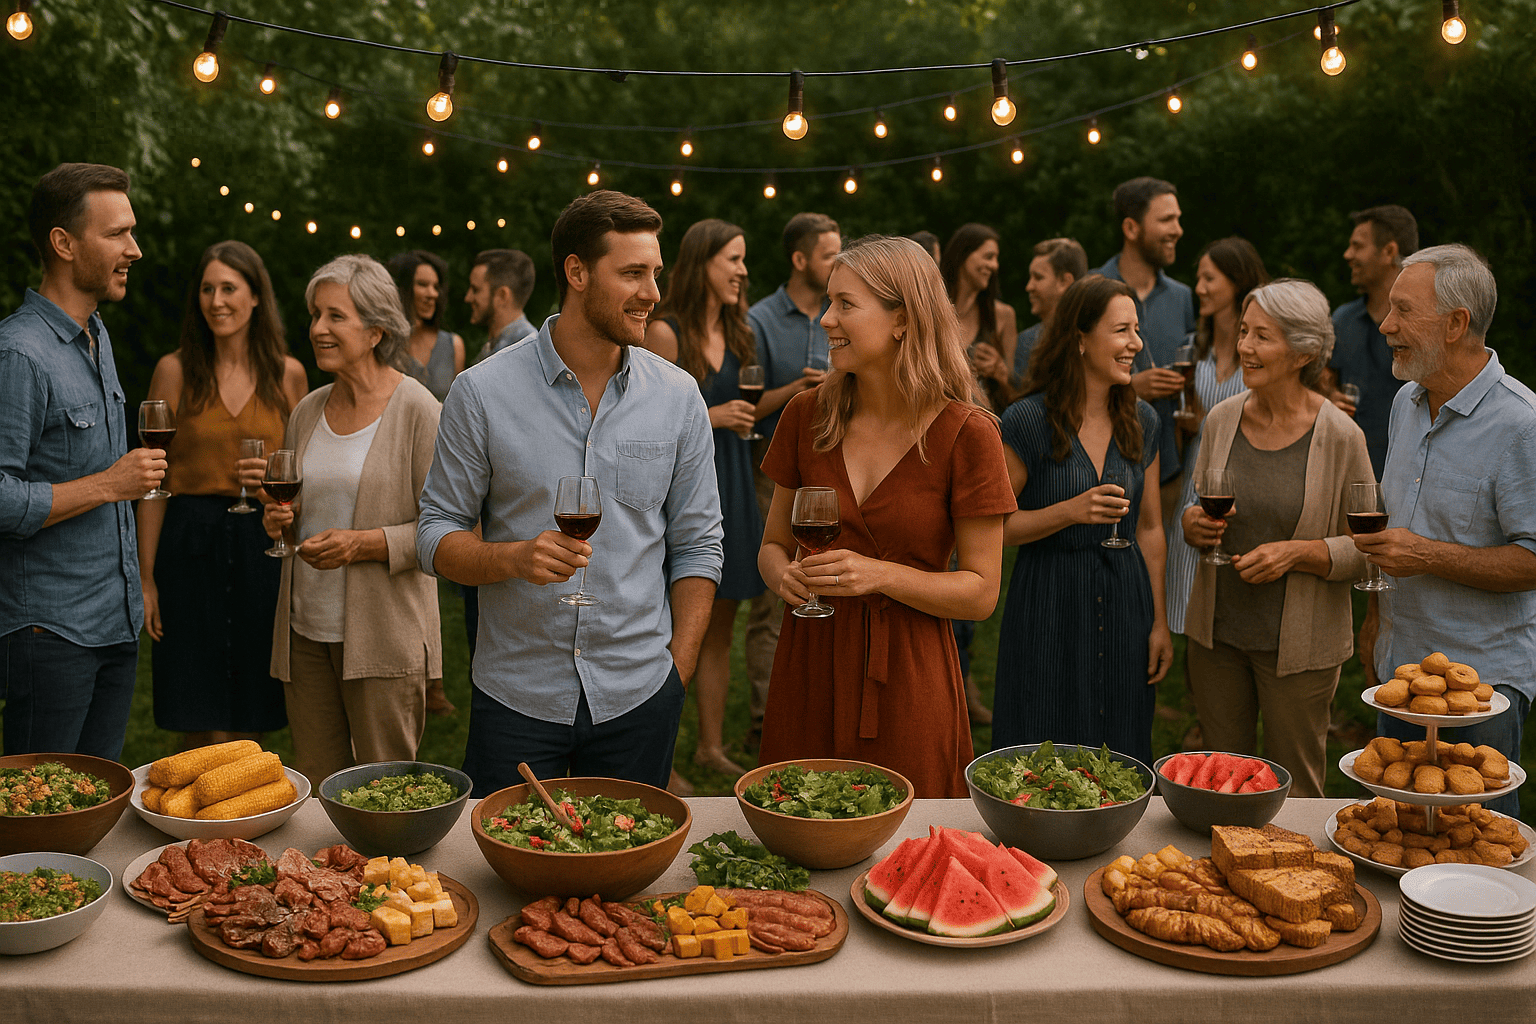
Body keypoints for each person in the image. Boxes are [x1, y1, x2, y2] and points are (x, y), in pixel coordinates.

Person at [417, 190, 723, 796]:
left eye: (654, 273)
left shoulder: (679, 397)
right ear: (576, 272)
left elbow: (699, 546)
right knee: (511, 878)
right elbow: (435, 534)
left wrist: (675, 676)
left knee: (623, 883)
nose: (653, 293)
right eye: (633, 273)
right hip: (516, 698)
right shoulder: (481, 393)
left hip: (639, 697)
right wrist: (512, 558)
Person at [756, 235, 1014, 799]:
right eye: (828, 302)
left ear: (902, 318)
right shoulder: (805, 415)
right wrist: (785, 577)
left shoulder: (968, 433)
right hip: (810, 661)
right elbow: (772, 545)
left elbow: (981, 592)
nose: (826, 320)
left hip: (909, 678)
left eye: (845, 304)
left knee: (908, 854)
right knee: (798, 844)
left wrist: (880, 575)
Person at [1354, 244, 1536, 817]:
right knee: (1395, 845)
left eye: (1404, 312)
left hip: (1479, 694)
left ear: (1456, 323)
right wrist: (1376, 622)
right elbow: (1398, 533)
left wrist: (1427, 555)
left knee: (1468, 864)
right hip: (1400, 677)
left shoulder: (1521, 424)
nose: (1386, 327)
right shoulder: (1405, 403)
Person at [1180, 279, 1373, 797]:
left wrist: (1298, 553)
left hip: (1301, 650)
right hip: (1217, 637)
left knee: (1296, 790)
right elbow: (1198, 511)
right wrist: (1193, 527)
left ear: (1303, 352)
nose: (1244, 346)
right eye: (1243, 332)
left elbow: (1369, 548)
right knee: (1219, 784)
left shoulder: (1340, 436)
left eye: (1262, 336)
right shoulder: (1222, 419)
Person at [261, 255, 442, 787]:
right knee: (317, 795)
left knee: (384, 796)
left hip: (384, 638)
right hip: (305, 635)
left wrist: (361, 544)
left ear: (375, 329)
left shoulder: (417, 408)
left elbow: (445, 531)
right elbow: (294, 518)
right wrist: (279, 521)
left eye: (335, 316)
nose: (317, 328)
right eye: (315, 315)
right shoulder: (308, 410)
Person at [0, 163, 162, 759]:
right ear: (63, 244)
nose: (134, 250)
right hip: (49, 632)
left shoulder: (96, 335)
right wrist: (110, 483)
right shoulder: (18, 354)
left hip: (113, 622)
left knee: (96, 809)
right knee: (38, 815)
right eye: (117, 234)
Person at [993, 275, 1174, 770]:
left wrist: (1159, 621)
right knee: (1042, 736)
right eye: (1121, 331)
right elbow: (997, 528)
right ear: (1079, 338)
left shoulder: (1145, 421)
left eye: (1136, 330)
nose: (1136, 343)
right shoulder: (1027, 421)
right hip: (1049, 599)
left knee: (1120, 739)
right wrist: (1069, 512)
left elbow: (1151, 528)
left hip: (1126, 600)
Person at [137, 240, 308, 750]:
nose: (216, 301)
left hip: (261, 544)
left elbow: (303, 478)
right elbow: (153, 483)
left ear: (256, 297)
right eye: (207, 289)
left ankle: (247, 817)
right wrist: (146, 579)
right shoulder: (175, 370)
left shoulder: (288, 374)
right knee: (194, 690)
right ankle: (190, 817)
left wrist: (275, 493)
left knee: (253, 693)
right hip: (188, 542)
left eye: (229, 288)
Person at [643, 219, 765, 779]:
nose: (742, 271)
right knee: (671, 627)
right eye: (733, 260)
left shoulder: (742, 334)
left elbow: (751, 405)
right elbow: (646, 424)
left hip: (733, 481)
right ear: (703, 264)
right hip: (682, 486)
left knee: (720, 627)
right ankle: (657, 752)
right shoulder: (666, 332)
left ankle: (709, 746)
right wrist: (712, 417)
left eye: (743, 261)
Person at [743, 212, 840, 753]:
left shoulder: (836, 314)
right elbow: (748, 402)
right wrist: (793, 391)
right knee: (774, 596)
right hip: (778, 470)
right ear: (801, 259)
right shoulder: (761, 319)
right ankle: (764, 708)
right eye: (828, 254)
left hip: (836, 466)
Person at [1165, 237, 1269, 637]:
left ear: (1238, 282)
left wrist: (1207, 420)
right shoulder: (1192, 350)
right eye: (1199, 279)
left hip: (1245, 488)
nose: (1200, 288)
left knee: (1232, 617)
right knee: (1192, 619)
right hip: (1196, 489)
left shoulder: (1260, 354)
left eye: (1209, 278)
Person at [1096, 177, 1196, 517]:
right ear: (1131, 227)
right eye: (1167, 220)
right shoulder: (1093, 288)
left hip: (1169, 469)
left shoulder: (1182, 296)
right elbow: (1068, 373)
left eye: (1178, 219)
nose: (1178, 229)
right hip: (1100, 471)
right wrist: (1133, 387)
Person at [1326, 205, 1419, 477]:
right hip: (1346, 475)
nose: (1347, 255)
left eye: (1357, 246)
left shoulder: (1426, 324)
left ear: (1389, 251)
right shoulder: (1343, 319)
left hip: (1409, 476)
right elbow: (1322, 382)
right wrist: (1326, 398)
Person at [940, 222, 1019, 410]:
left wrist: (999, 371)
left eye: (996, 259)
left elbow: (1015, 394)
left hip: (986, 423)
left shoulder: (1003, 315)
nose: (994, 266)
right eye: (988, 257)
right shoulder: (934, 310)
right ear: (963, 255)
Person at [386, 250, 465, 402]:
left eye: (436, 287)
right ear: (402, 288)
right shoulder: (384, 342)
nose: (433, 294)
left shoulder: (453, 345)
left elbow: (457, 408)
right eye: (422, 284)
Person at [1013, 237, 1088, 382]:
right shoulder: (1025, 342)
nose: (1029, 287)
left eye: (1038, 277)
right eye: (1030, 277)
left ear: (1065, 282)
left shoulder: (1095, 338)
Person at [467, 247, 538, 363]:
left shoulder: (527, 350)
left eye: (475, 290)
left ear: (502, 296)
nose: (468, 298)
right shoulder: (496, 344)